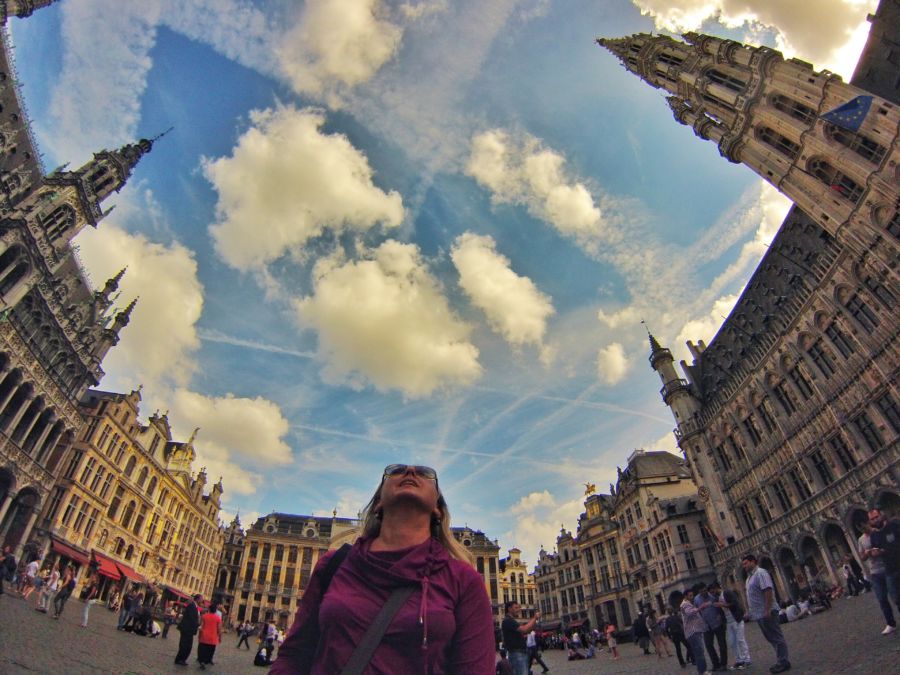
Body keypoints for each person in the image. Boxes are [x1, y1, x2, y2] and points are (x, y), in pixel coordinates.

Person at [270, 463, 495, 673]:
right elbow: (295, 655)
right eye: (396, 470)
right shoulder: (334, 564)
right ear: (378, 502)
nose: (409, 471)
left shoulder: (464, 580)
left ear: (438, 508)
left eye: (425, 473)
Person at [742, 554, 791, 673]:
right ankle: (781, 659)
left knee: (776, 636)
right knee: (771, 637)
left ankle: (783, 661)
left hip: (766, 612)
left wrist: (767, 609)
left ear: (753, 561)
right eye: (743, 564)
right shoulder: (749, 578)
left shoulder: (761, 573)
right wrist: (749, 611)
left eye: (746, 563)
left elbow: (768, 590)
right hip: (759, 614)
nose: (744, 566)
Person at [863, 508, 900, 635]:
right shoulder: (874, 535)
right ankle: (891, 623)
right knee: (896, 598)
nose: (875, 520)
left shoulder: (894, 526)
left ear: (881, 515)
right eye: (872, 519)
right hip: (889, 568)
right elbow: (877, 549)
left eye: (876, 517)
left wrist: (884, 550)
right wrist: (873, 553)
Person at [711, 579, 751, 670]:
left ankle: (747, 659)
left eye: (714, 591)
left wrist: (723, 605)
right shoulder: (718, 597)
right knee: (732, 642)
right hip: (729, 622)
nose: (713, 593)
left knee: (740, 639)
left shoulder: (727, 593)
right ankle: (739, 660)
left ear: (717, 588)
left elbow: (734, 603)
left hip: (736, 619)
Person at [502, 600, 541, 675]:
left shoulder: (510, 620)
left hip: (519, 653)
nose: (518, 610)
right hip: (517, 654)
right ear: (509, 609)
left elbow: (527, 631)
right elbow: (524, 629)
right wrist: (535, 618)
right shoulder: (508, 621)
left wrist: (534, 622)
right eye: (516, 608)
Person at [694, 581, 726, 671]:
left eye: (705, 590)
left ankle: (723, 664)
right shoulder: (696, 599)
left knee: (722, 644)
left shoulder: (712, 596)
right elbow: (697, 611)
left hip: (717, 624)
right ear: (699, 591)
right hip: (706, 626)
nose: (704, 593)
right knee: (709, 645)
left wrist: (720, 616)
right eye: (701, 591)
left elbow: (719, 606)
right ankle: (716, 663)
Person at [676, 588, 708, 675]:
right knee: (699, 652)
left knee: (699, 652)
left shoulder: (686, 603)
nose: (692, 597)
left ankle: (701, 670)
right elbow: (690, 613)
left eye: (692, 595)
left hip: (693, 631)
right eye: (690, 595)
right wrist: (701, 607)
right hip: (693, 632)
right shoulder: (685, 604)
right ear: (685, 596)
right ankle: (702, 671)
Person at [174, 593, 202, 666]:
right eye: (201, 599)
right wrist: (198, 625)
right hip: (187, 629)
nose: (202, 600)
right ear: (198, 599)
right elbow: (192, 618)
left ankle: (182, 659)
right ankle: (179, 659)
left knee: (187, 645)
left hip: (189, 629)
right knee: (184, 645)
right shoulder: (192, 606)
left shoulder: (194, 606)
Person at [197, 600, 223, 669]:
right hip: (213, 638)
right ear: (215, 611)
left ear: (209, 609)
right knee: (210, 651)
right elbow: (219, 629)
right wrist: (220, 637)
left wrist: (199, 635)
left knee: (202, 650)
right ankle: (206, 661)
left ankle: (202, 661)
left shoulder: (204, 616)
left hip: (204, 637)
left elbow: (201, 626)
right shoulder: (218, 618)